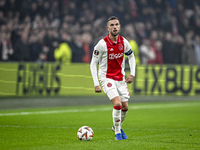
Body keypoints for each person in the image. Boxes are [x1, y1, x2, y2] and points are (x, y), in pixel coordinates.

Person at [90, 16, 136, 140]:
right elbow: (93, 63)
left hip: (120, 79)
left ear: (119, 26)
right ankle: (117, 133)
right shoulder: (102, 44)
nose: (114, 27)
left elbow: (131, 56)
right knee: (117, 103)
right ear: (108, 28)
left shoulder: (124, 42)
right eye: (112, 25)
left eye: (116, 24)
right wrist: (96, 83)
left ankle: (117, 126)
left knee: (125, 107)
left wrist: (132, 73)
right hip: (107, 78)